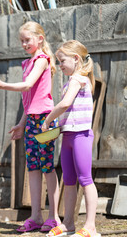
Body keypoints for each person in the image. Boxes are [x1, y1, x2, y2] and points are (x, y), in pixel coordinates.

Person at [0, 21, 61, 233]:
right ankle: (36, 217)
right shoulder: (28, 63)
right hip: (32, 122)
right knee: (33, 168)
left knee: (47, 168)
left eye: (28, 40)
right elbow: (29, 99)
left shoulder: (42, 60)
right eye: (22, 41)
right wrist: (21, 123)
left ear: (40, 39)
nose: (24, 44)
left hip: (45, 121)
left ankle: (54, 218)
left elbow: (27, 86)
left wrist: (2, 85)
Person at [42, 40, 100, 237]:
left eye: (62, 61)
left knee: (85, 179)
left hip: (81, 136)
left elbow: (65, 104)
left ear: (76, 59)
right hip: (68, 136)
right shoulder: (70, 82)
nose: (60, 65)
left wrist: (48, 119)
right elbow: (71, 112)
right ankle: (68, 223)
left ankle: (90, 226)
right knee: (68, 180)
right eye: (58, 61)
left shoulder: (78, 79)